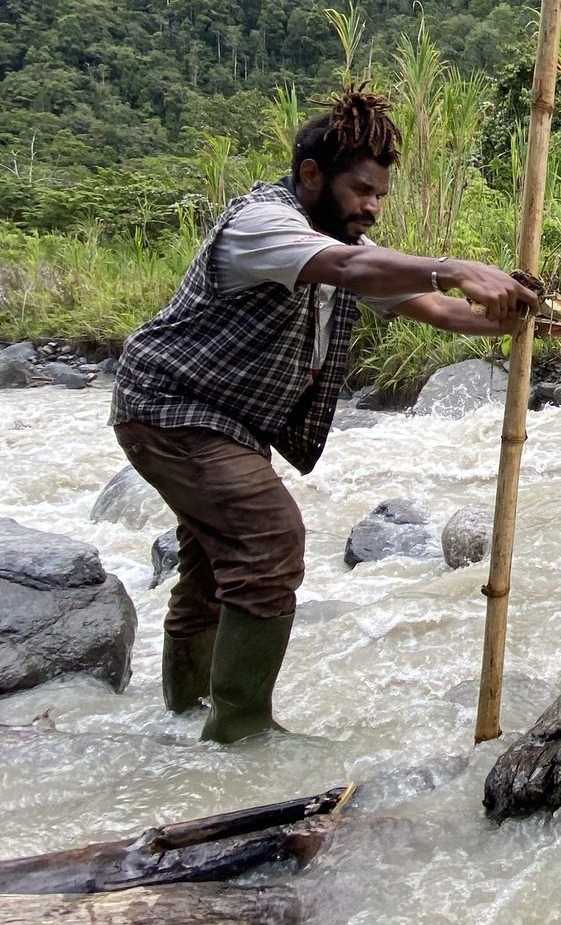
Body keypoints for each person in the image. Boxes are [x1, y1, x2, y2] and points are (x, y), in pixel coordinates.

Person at [111, 89, 535, 742]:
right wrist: (454, 267)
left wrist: (522, 320)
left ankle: (184, 721)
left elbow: (443, 312)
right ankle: (242, 732)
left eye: (380, 196)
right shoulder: (265, 227)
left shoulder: (343, 245)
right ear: (312, 177)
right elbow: (351, 266)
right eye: (362, 190)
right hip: (171, 406)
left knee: (212, 570)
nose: (371, 206)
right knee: (268, 541)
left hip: (223, 423)